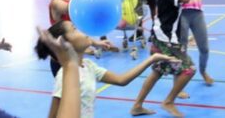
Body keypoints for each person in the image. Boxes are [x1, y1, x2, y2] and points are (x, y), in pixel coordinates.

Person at [35, 20, 178, 118]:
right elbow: (53, 115)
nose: (82, 31)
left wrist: (151, 59)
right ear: (64, 43)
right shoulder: (64, 77)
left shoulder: (88, 66)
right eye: (74, 29)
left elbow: (121, 80)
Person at [130, 0, 201, 117]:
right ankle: (168, 101)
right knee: (189, 69)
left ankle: (137, 105)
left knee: (157, 71)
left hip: (158, 36)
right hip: (165, 39)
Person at [37, 0, 113, 75]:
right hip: (62, 59)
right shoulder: (56, 3)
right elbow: (75, 6)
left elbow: (77, 31)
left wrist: (96, 43)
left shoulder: (70, 0)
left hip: (74, 56)